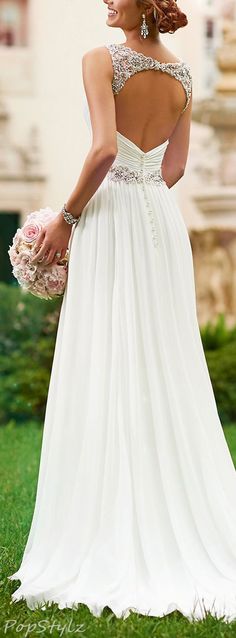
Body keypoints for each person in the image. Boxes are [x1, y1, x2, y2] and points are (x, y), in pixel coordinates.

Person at [8, 0, 236, 624]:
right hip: (158, 218)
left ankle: (103, 523)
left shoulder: (99, 60)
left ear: (139, 4)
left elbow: (104, 150)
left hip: (107, 215)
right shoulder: (184, 76)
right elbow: (178, 166)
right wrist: (145, 201)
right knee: (161, 357)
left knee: (104, 354)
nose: (106, 1)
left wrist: (66, 217)